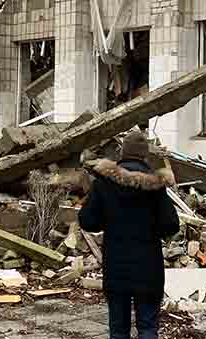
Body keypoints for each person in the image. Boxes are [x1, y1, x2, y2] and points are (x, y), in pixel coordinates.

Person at [79, 131, 180, 339]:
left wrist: (108, 219)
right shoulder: (156, 187)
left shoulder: (103, 184)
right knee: (148, 328)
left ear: (122, 152)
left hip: (116, 265)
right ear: (145, 155)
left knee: (118, 330)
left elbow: (87, 221)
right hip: (148, 266)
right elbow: (171, 225)